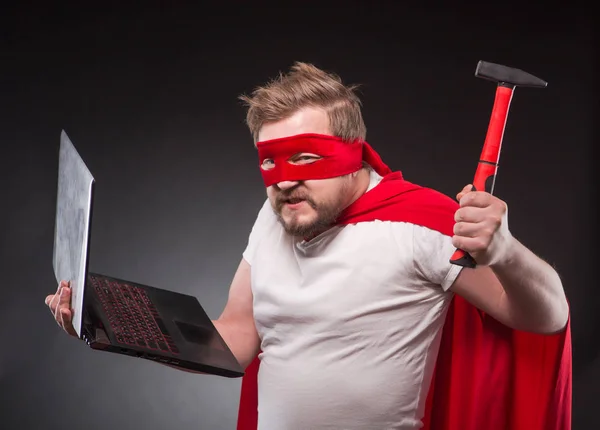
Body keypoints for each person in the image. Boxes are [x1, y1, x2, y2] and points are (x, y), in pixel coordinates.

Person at [46, 62, 572, 430]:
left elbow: (547, 317)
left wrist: (504, 250)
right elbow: (233, 339)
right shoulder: (273, 218)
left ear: (354, 152)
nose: (283, 182)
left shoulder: (424, 221)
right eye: (269, 163)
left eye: (304, 160)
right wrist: (103, 323)